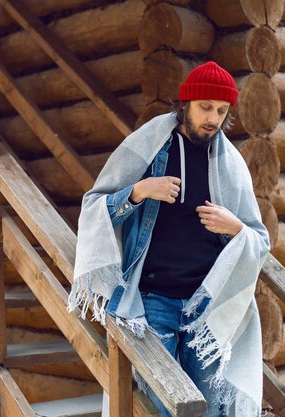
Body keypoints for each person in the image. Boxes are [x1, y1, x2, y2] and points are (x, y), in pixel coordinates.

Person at [68, 61, 270, 417]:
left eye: (221, 111)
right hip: (152, 301)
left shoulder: (231, 164)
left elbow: (259, 239)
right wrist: (138, 192)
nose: (213, 118)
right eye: (205, 107)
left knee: (210, 411)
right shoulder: (147, 146)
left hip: (204, 306)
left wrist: (234, 227)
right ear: (186, 103)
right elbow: (95, 207)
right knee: (162, 408)